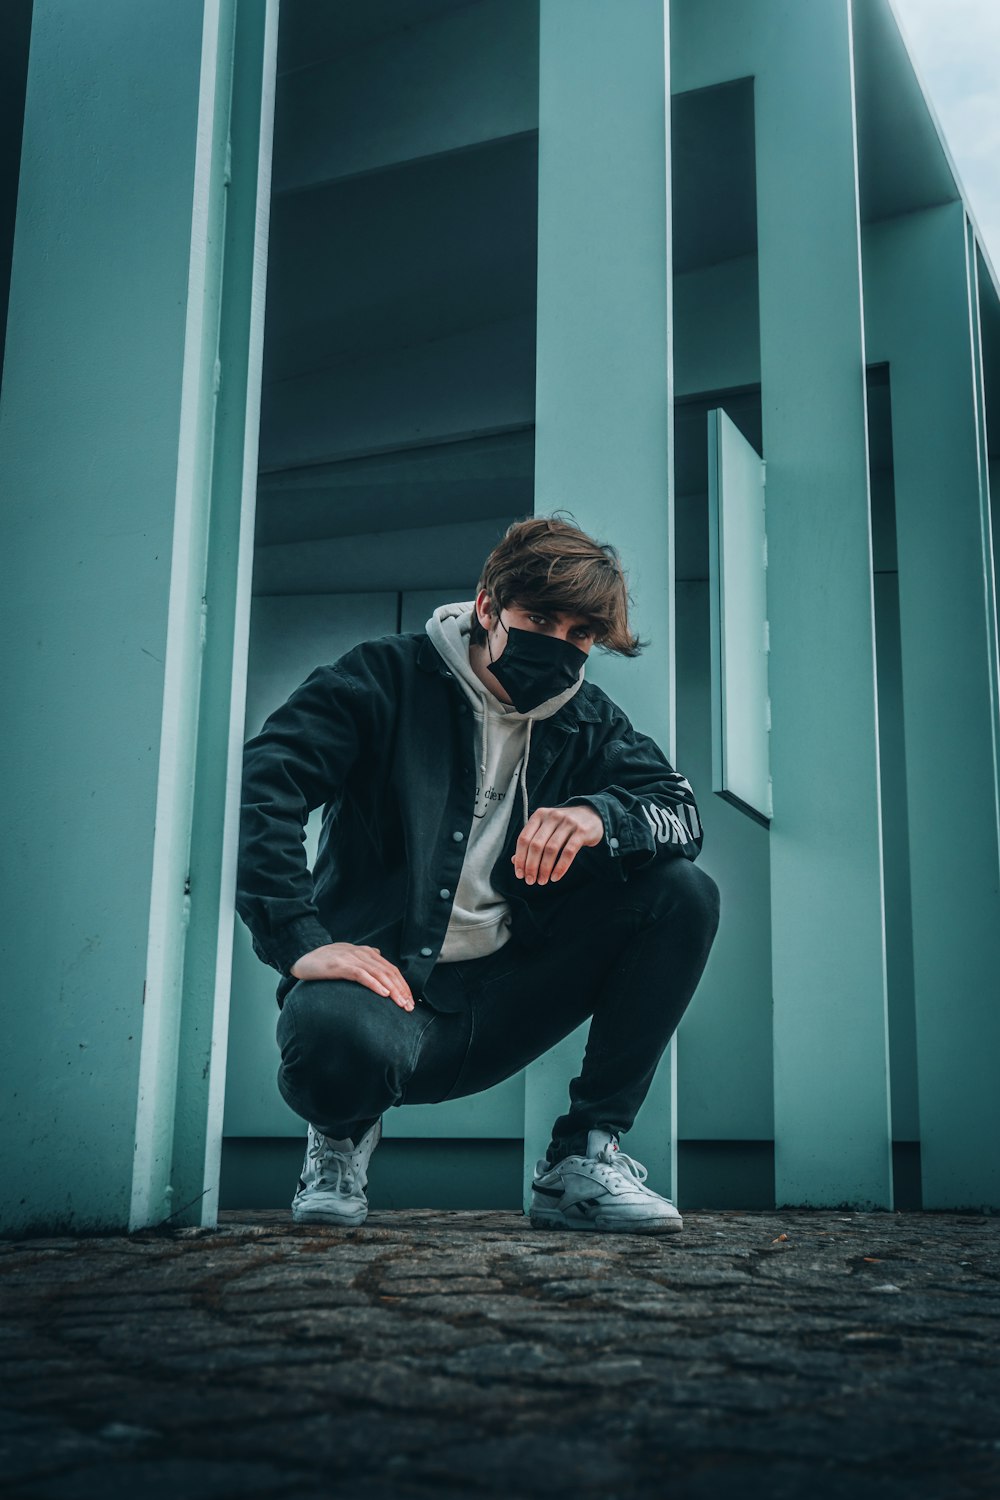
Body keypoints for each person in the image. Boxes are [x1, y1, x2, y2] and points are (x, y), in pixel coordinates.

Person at [236, 515, 720, 1235]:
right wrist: (298, 937)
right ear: (489, 606)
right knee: (330, 1042)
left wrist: (602, 816)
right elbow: (265, 784)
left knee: (682, 894)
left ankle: (582, 1158)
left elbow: (681, 814)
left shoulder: (587, 721)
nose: (558, 647)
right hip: (385, 997)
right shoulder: (383, 678)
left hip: (509, 995)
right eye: (540, 619)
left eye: (580, 634)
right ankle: (339, 1138)